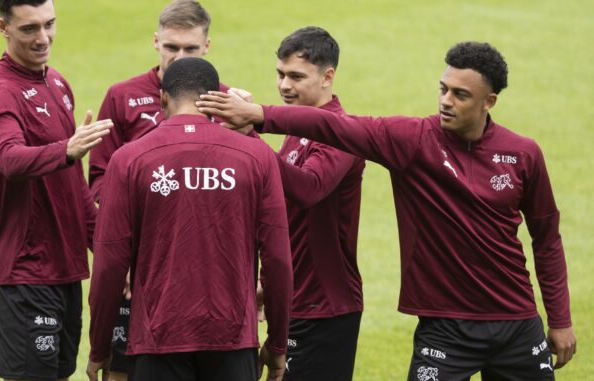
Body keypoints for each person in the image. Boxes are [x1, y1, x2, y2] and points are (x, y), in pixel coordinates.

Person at [197, 41, 577, 380]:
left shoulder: (523, 154)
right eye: (443, 89)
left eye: (460, 95)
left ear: (489, 101)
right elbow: (336, 127)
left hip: (516, 322)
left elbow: (546, 240)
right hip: (444, 328)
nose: (446, 101)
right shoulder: (412, 141)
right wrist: (260, 115)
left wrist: (559, 320)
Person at [86, 57, 293, 381]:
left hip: (155, 340)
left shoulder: (127, 160)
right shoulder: (258, 156)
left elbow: (109, 264)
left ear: (164, 98)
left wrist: (100, 346)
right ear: (213, 98)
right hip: (232, 340)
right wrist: (278, 343)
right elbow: (278, 259)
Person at [87, 2, 229, 379]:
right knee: (120, 369)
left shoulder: (225, 100)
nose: (179, 57)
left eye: (191, 49)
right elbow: (99, 180)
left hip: (202, 269)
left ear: (207, 46)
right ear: (155, 41)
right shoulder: (121, 96)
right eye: (171, 48)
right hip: (134, 272)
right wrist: (128, 256)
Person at [0, 1, 113, 380]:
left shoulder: (56, 83)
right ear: (2, 27)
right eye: (29, 29)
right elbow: (9, 158)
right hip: (24, 274)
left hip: (65, 272)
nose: (43, 38)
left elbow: (73, 186)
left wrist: (107, 247)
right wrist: (67, 149)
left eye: (49, 24)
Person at [251, 26, 365, 381]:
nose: (285, 85)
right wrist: (266, 284)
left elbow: (309, 188)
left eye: (297, 76)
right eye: (280, 74)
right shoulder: (297, 132)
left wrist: (251, 141)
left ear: (327, 76)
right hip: (294, 300)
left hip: (325, 308)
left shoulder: (341, 132)